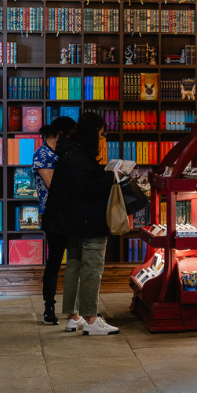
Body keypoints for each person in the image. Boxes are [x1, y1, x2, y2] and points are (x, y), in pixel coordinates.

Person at [44, 112, 121, 336]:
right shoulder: (79, 155)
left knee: (75, 265)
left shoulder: (71, 152)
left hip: (73, 221)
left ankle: (74, 316)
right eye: (101, 134)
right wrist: (111, 177)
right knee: (91, 268)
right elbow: (85, 187)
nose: (103, 139)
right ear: (93, 134)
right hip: (87, 220)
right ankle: (90, 319)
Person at [34, 116, 78, 325]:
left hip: (70, 212)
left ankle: (75, 309)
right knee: (54, 262)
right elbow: (54, 186)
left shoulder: (64, 153)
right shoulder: (42, 154)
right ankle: (48, 307)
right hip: (54, 215)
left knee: (76, 260)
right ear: (61, 134)